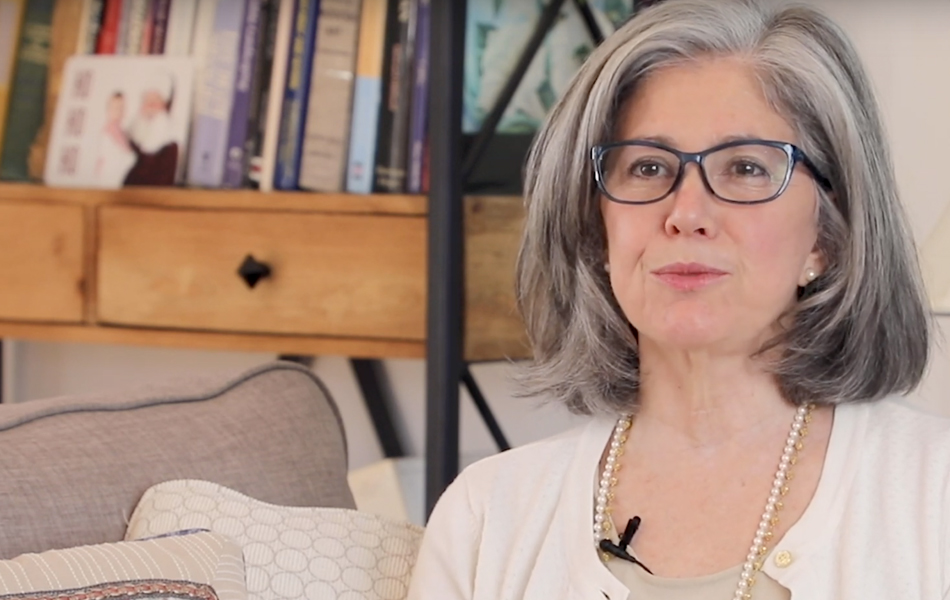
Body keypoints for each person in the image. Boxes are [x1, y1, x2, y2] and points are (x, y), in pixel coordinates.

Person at [407, 1, 943, 598]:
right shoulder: (486, 517)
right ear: (597, 228)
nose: (686, 214)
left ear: (826, 233)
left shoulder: (934, 493)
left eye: (745, 167)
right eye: (647, 168)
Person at [123, 72, 180, 186]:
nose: (150, 105)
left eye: (156, 100)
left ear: (165, 106)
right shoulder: (127, 140)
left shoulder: (171, 149)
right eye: (147, 99)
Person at [94, 92, 136, 187]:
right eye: (115, 108)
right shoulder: (111, 128)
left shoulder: (119, 129)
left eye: (122, 108)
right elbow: (126, 151)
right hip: (110, 173)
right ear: (108, 110)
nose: (119, 111)